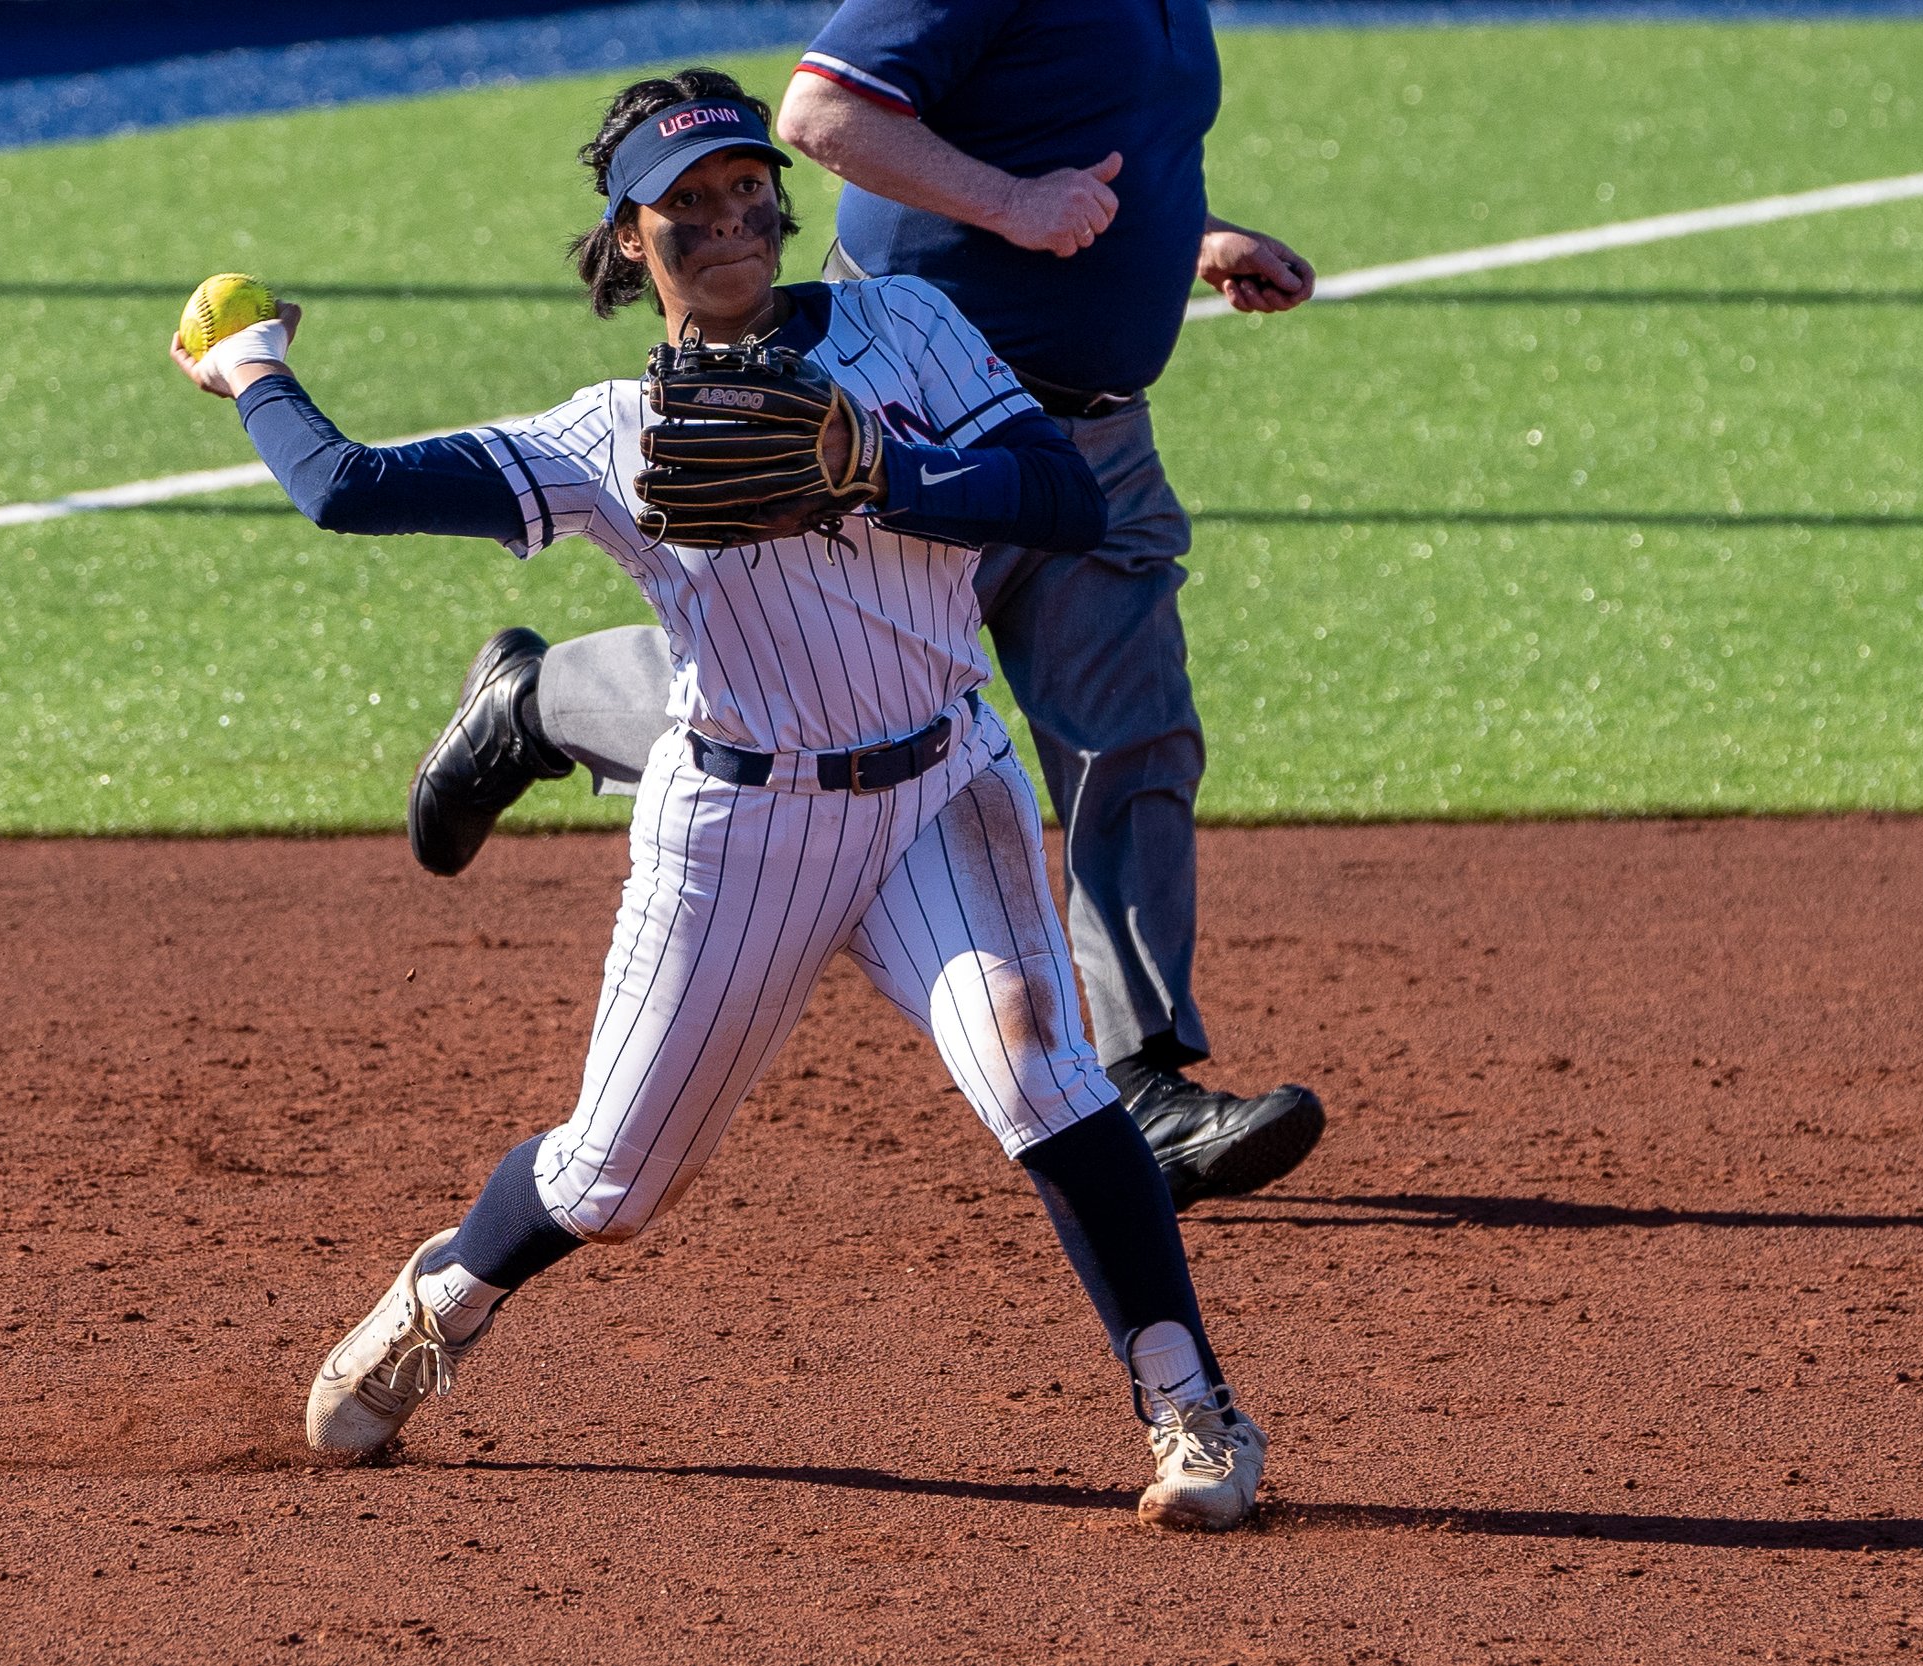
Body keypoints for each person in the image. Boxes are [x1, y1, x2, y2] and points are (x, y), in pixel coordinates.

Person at [173, 68, 1269, 1529]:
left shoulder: (906, 329)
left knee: (1040, 1074)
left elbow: (1060, 501)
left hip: (941, 780)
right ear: (632, 240)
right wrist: (254, 368)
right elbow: (350, 488)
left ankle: (1192, 1409)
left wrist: (884, 471)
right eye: (685, 204)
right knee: (613, 1177)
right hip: (741, 827)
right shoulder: (603, 435)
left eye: (745, 188)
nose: (727, 218)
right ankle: (446, 1287)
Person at [407, 0, 1329, 1213]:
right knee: (813, 700)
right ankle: (539, 701)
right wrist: (1014, 208)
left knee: (1134, 732)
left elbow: (1091, 138)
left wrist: (1183, 237)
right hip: (901, 417)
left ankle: (1138, 1076)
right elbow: (821, 114)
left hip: (1095, 431)